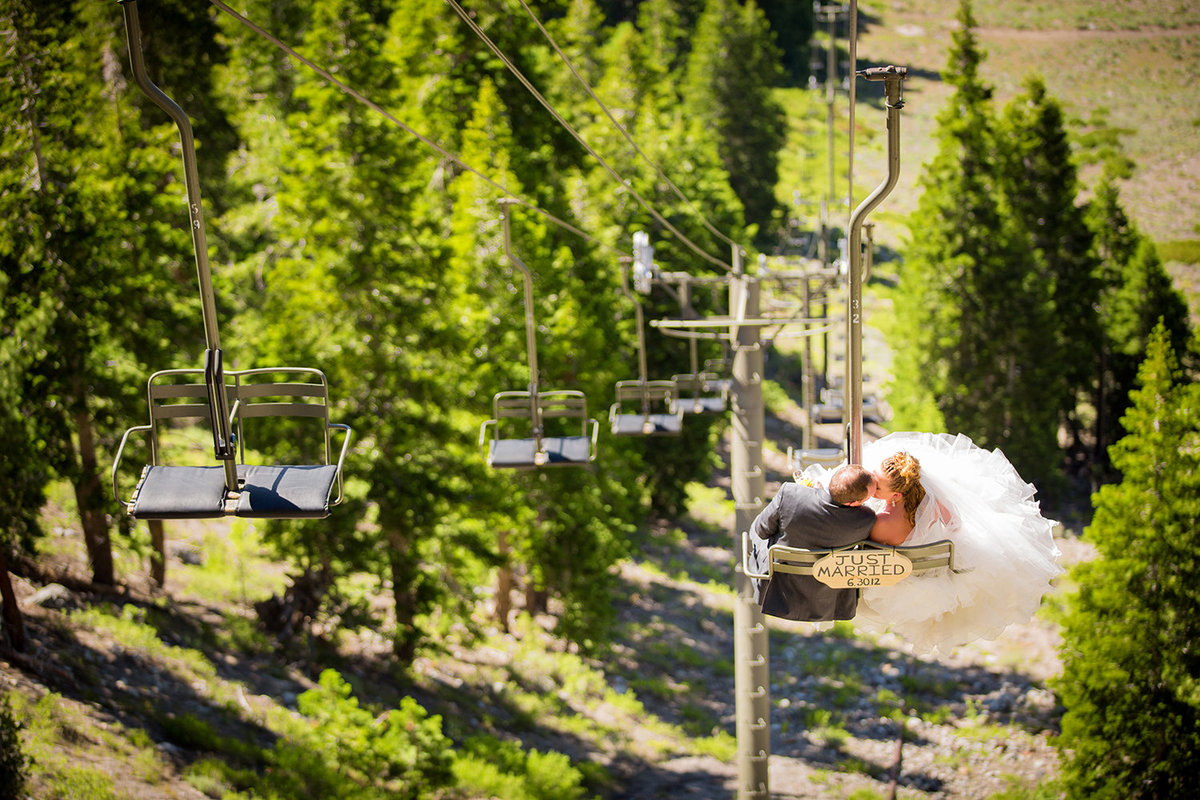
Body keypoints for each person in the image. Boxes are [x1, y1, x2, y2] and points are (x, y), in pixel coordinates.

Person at [846, 431, 1063, 653]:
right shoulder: (926, 502)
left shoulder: (881, 522)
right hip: (924, 570)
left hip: (891, 578)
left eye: (878, 487)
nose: (872, 488)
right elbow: (955, 523)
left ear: (897, 495)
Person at [747, 464, 877, 622]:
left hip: (779, 587)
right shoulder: (865, 519)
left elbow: (761, 530)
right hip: (828, 598)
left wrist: (812, 494)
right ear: (853, 503)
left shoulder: (790, 493)